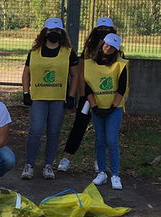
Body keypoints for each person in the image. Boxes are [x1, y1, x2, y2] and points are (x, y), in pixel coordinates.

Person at [20, 17, 79, 180]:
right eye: (51, 31)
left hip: (58, 99)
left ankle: (48, 165)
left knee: (53, 132)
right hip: (38, 98)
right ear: (45, 32)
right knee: (35, 131)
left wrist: (71, 96)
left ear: (62, 33)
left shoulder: (68, 52)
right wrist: (26, 92)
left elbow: (75, 75)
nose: (54, 33)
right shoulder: (34, 52)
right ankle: (29, 164)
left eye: (57, 31)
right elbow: (26, 73)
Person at [57, 17, 117, 173]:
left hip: (106, 96)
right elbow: (82, 73)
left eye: (107, 29)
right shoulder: (88, 50)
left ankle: (100, 161)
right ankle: (66, 158)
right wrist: (83, 95)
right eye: (101, 29)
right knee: (79, 126)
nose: (103, 32)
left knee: (102, 130)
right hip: (88, 96)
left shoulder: (116, 51)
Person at [86, 32, 128, 190]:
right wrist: (94, 106)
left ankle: (115, 174)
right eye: (107, 44)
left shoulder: (120, 64)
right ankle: (102, 172)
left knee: (112, 140)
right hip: (97, 108)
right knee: (100, 140)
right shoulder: (90, 64)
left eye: (112, 47)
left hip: (113, 108)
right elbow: (87, 87)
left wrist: (112, 107)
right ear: (102, 43)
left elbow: (122, 88)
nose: (108, 48)